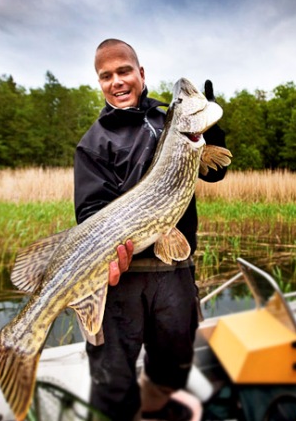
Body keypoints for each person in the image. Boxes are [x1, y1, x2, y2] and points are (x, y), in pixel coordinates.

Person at [73, 38, 228, 421]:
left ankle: (159, 407)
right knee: (112, 377)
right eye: (106, 76)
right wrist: (114, 243)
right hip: (119, 278)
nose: (117, 81)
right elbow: (90, 209)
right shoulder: (93, 143)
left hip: (173, 271)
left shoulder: (168, 122)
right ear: (100, 82)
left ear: (141, 74)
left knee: (173, 363)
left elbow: (217, 171)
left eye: (124, 71)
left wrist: (213, 132)